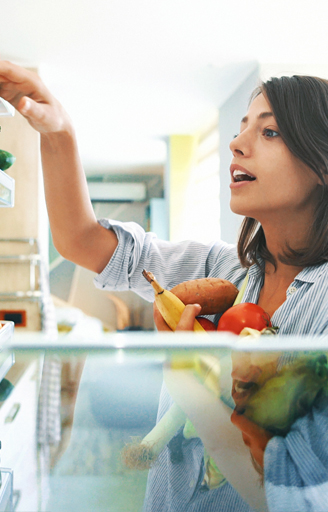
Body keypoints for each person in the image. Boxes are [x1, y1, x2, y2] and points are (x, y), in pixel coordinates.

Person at [1, 61, 328, 511]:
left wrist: (187, 378)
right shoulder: (222, 269)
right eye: (241, 128)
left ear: (321, 165)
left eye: (269, 132)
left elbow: (292, 495)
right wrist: (59, 132)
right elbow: (81, 240)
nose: (236, 144)